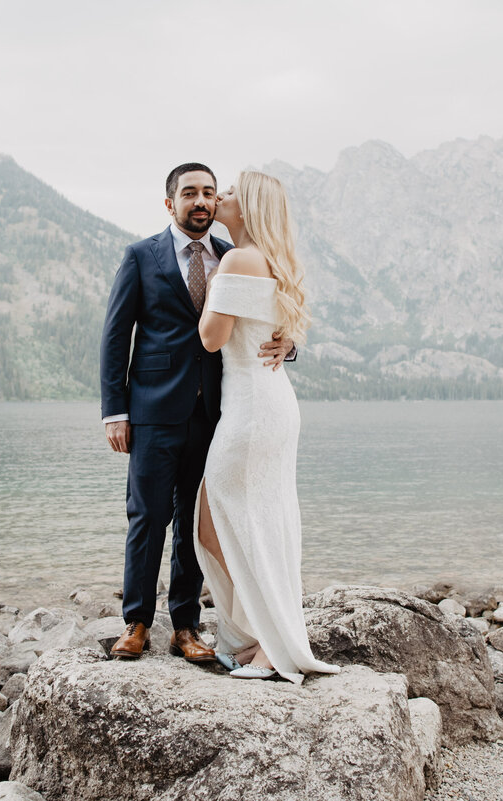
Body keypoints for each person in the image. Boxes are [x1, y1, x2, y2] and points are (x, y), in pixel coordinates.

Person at [100, 163, 294, 662]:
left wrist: (289, 344)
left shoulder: (235, 255)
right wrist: (114, 411)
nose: (203, 200)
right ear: (171, 203)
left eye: (210, 192)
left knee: (195, 518)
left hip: (216, 411)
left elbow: (268, 320)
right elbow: (116, 337)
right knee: (147, 516)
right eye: (191, 193)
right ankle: (137, 622)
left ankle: (186, 626)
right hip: (153, 410)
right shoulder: (141, 256)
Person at [193, 171, 341, 684]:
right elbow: (270, 332)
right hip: (269, 402)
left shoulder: (237, 259)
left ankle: (264, 641)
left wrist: (214, 289)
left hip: (252, 410)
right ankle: (257, 632)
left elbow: (212, 338)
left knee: (220, 520)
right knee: (243, 520)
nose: (221, 197)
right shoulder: (272, 260)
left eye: (230, 191)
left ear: (250, 205)